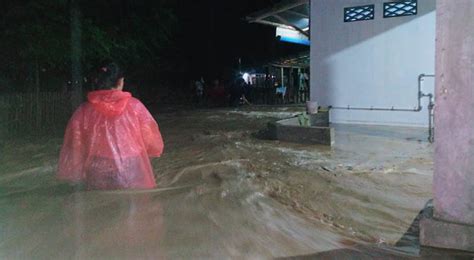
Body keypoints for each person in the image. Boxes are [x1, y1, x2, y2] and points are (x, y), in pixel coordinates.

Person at [57, 63, 164, 190]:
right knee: (136, 204)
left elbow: (75, 146)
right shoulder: (136, 107)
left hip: (97, 169)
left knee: (100, 203)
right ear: (120, 82)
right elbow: (151, 141)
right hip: (131, 168)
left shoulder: (83, 111)